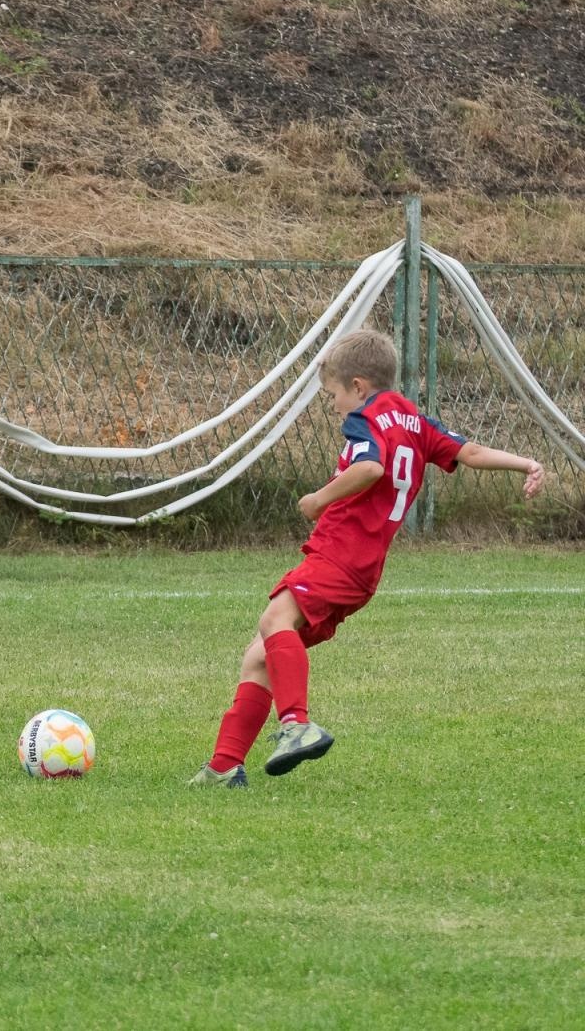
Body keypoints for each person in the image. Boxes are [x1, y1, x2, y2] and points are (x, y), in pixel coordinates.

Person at [191, 329, 545, 787]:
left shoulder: (366, 418)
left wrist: (318, 499)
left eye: (334, 395)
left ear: (358, 386)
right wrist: (526, 463)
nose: (335, 405)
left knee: (274, 619)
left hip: (339, 554)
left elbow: (370, 467)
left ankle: (296, 725)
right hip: (364, 571)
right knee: (261, 655)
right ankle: (223, 766)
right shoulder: (416, 421)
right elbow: (470, 452)